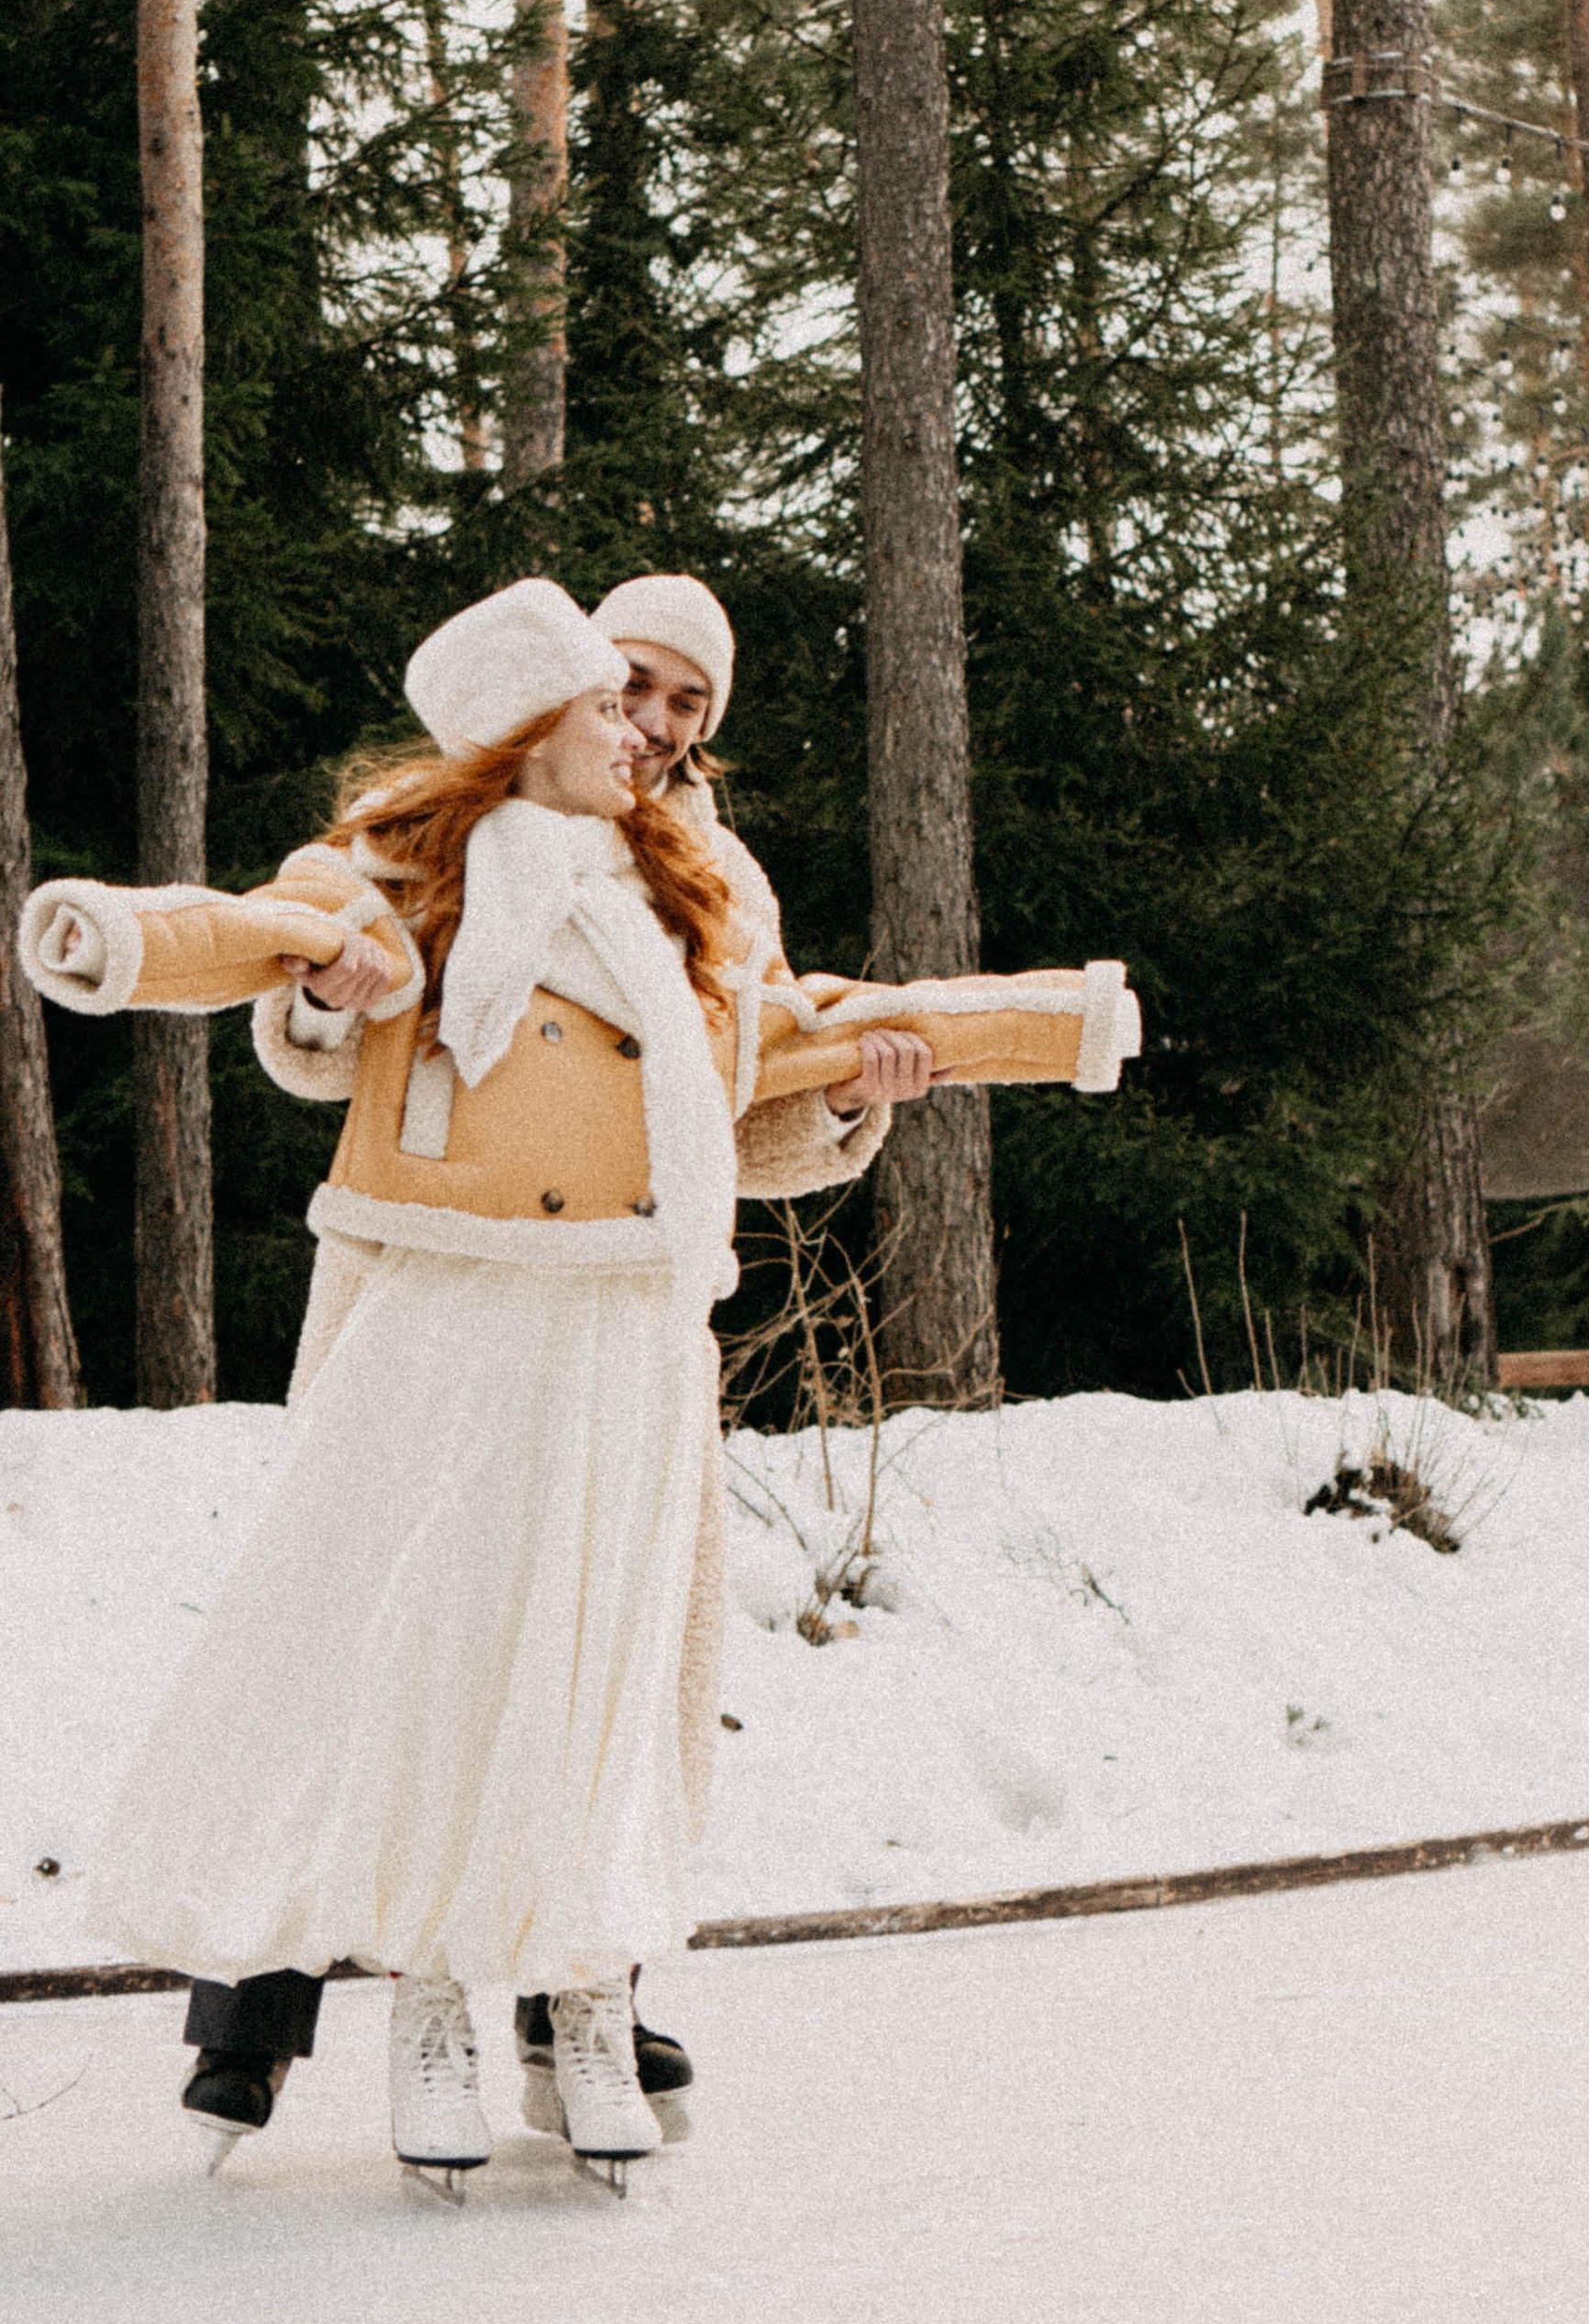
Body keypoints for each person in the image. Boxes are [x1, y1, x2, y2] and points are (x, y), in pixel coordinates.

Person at [20, 580, 930, 2189]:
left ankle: (585, 1994)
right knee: (387, 1628)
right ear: (567, 681)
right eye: (633, 689)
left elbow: (732, 1102)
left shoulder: (710, 877)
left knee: (593, 1650)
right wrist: (314, 995)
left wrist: (853, 1097)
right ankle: (268, 2015)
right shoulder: (429, 822)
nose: (654, 727)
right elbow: (313, 1003)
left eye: (686, 712)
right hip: (441, 1287)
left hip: (629, 1315)